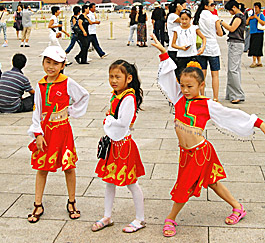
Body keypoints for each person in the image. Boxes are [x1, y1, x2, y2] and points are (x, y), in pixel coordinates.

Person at [151, 33, 265, 237]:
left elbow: (231, 115)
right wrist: (163, 53)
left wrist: (258, 123)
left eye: (190, 87)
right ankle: (238, 207)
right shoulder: (178, 98)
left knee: (184, 186)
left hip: (200, 152)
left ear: (201, 86)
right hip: (186, 153)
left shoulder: (207, 105)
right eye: (182, 85)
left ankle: (171, 218)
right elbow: (168, 77)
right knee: (212, 182)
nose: (185, 90)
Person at [27, 46, 89, 223]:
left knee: (68, 167)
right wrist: (37, 133)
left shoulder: (67, 82)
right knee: (42, 168)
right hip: (46, 132)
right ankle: (37, 203)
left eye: (55, 63)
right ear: (43, 63)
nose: (51, 67)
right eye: (48, 62)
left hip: (63, 130)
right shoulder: (40, 85)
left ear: (62, 65)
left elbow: (83, 96)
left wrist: (70, 111)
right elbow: (36, 110)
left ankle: (71, 201)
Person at [92, 60, 145, 233]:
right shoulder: (117, 94)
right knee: (109, 181)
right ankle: (107, 215)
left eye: (117, 77)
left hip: (124, 146)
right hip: (113, 145)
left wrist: (108, 120)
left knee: (131, 183)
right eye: (111, 76)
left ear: (128, 78)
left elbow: (123, 122)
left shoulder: (128, 97)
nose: (113, 80)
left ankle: (140, 219)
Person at [193, 0, 223, 102]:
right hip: (213, 47)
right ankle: (215, 98)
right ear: (206, 6)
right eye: (212, 4)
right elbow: (220, 33)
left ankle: (201, 95)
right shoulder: (215, 18)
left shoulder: (198, 16)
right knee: (215, 74)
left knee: (202, 75)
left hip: (201, 47)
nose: (214, 6)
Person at [221, 0, 246, 104]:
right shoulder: (240, 16)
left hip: (236, 44)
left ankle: (237, 94)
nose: (230, 13)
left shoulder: (239, 17)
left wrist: (221, 22)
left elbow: (232, 29)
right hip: (235, 44)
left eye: (230, 10)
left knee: (233, 70)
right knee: (235, 69)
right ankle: (231, 93)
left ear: (234, 8)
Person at [171, 9, 206, 81]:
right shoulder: (176, 29)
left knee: (193, 78)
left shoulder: (194, 28)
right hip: (181, 56)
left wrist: (202, 48)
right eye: (182, 19)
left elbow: (203, 38)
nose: (184, 21)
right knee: (181, 77)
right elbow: (173, 44)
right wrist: (181, 48)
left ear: (190, 19)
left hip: (193, 55)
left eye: (186, 19)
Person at [166, 0, 186, 70]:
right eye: (184, 6)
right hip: (174, 49)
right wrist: (182, 10)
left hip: (180, 47)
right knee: (177, 71)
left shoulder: (177, 16)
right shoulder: (172, 16)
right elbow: (186, 20)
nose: (185, 8)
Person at [246, 2, 265, 67]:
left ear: (259, 8)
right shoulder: (252, 15)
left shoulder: (261, 15)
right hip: (252, 33)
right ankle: (258, 61)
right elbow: (246, 23)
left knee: (257, 47)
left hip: (259, 33)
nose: (255, 9)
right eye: (254, 7)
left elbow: (263, 23)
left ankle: (255, 62)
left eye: (257, 7)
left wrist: (257, 18)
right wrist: (249, 18)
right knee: (254, 46)